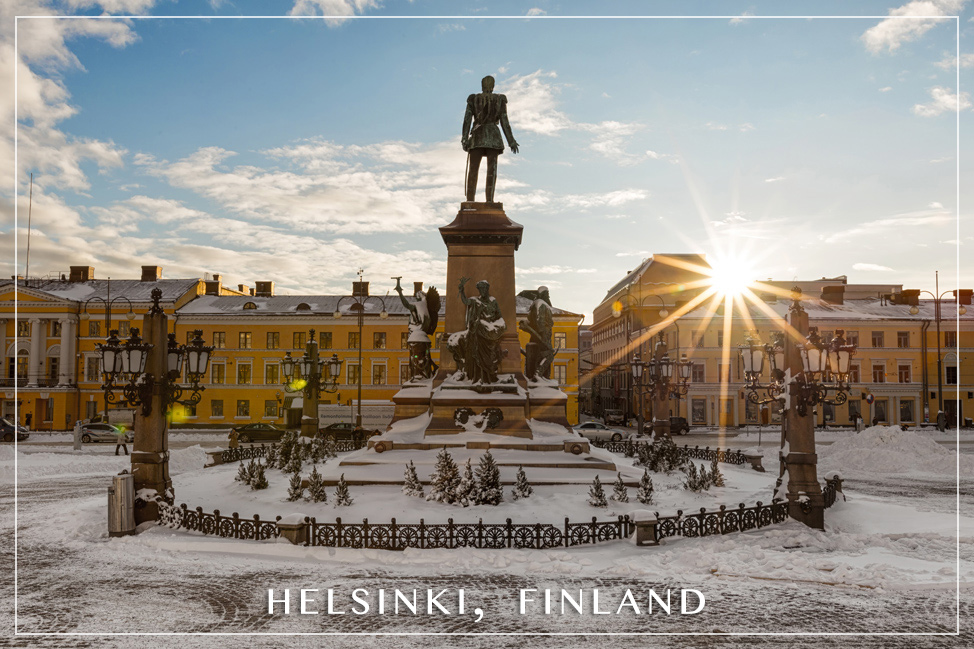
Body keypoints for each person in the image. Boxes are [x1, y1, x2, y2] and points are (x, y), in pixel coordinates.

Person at [461, 75, 519, 202]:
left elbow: (467, 120)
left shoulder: (474, 99)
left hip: (477, 137)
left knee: (473, 170)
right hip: (493, 136)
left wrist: (464, 138)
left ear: (482, 85)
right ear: (493, 86)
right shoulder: (499, 99)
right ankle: (489, 201)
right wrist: (511, 141)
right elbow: (505, 121)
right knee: (491, 171)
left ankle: (470, 201)